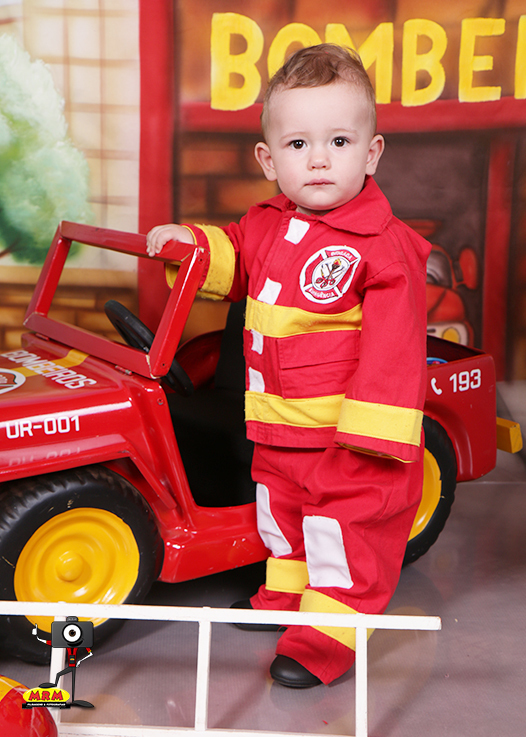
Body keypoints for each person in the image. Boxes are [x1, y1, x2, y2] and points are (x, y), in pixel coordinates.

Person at [147, 44, 431, 688]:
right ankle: (285, 597)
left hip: (345, 438)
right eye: (299, 144)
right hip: (277, 425)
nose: (320, 159)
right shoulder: (266, 222)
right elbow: (235, 259)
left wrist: (371, 439)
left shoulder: (384, 249)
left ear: (372, 153)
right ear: (269, 160)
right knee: (283, 517)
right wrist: (193, 247)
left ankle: (326, 640)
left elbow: (395, 350)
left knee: (342, 534)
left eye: (339, 141)